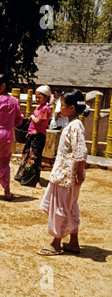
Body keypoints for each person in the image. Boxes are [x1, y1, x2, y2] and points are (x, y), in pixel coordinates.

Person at [36, 89, 89, 256]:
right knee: (70, 206)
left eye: (63, 105)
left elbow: (80, 151)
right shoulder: (73, 125)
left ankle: (56, 243)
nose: (60, 109)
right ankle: (73, 242)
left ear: (72, 108)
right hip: (65, 174)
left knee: (60, 207)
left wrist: (79, 172)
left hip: (67, 176)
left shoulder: (75, 127)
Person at [14, 85, 52, 189]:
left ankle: (35, 181)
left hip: (38, 136)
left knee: (35, 158)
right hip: (32, 134)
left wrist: (32, 117)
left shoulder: (45, 109)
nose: (37, 99)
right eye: (36, 97)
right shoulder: (39, 107)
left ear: (46, 97)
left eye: (40, 97)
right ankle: (23, 176)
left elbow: (38, 121)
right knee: (27, 155)